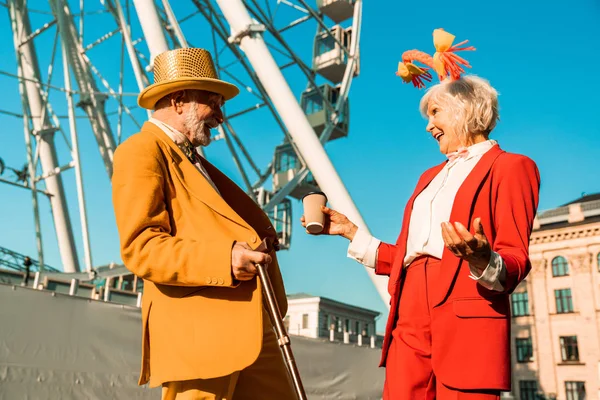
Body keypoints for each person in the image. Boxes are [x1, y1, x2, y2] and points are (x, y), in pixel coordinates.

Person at [302, 30, 540, 399]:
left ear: (465, 111)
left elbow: (515, 255)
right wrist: (351, 233)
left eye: (434, 112)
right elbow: (410, 257)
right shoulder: (428, 177)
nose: (428, 125)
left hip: (467, 307)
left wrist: (483, 258)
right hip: (408, 310)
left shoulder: (512, 167)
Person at [112, 48, 295, 400]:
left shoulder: (196, 162)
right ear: (180, 100)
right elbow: (141, 247)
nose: (222, 116)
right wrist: (224, 259)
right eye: (214, 102)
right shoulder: (141, 151)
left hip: (253, 327)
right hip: (201, 335)